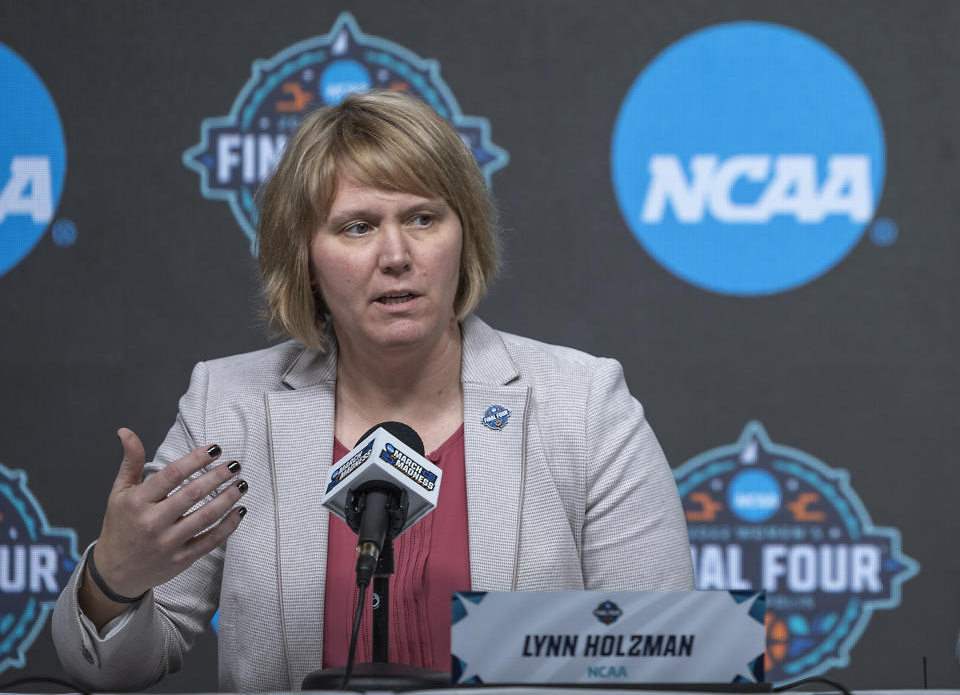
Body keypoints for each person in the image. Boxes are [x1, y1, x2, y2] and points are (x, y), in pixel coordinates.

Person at [52, 90, 694, 691]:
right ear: (302, 255)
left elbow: (669, 652)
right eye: (357, 226)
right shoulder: (230, 404)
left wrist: (521, 648)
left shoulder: (581, 402)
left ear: (462, 235)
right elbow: (110, 674)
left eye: (422, 218)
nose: (396, 254)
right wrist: (116, 579)